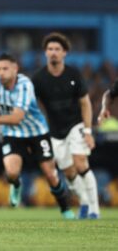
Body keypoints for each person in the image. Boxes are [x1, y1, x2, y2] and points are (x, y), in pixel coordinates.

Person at [0, 53, 75, 219]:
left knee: (50, 174)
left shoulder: (24, 84)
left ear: (15, 69)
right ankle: (16, 184)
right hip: (13, 133)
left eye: (5, 68)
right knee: (12, 173)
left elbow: (17, 118)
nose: (1, 72)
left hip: (37, 132)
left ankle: (65, 208)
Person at [32, 32, 100, 219]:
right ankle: (84, 201)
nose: (53, 52)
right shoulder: (38, 78)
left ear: (65, 53)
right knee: (69, 172)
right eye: (50, 49)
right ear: (45, 53)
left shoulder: (73, 74)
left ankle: (94, 209)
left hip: (75, 125)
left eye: (57, 49)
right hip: (54, 130)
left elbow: (85, 103)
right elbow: (30, 105)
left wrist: (87, 131)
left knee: (80, 163)